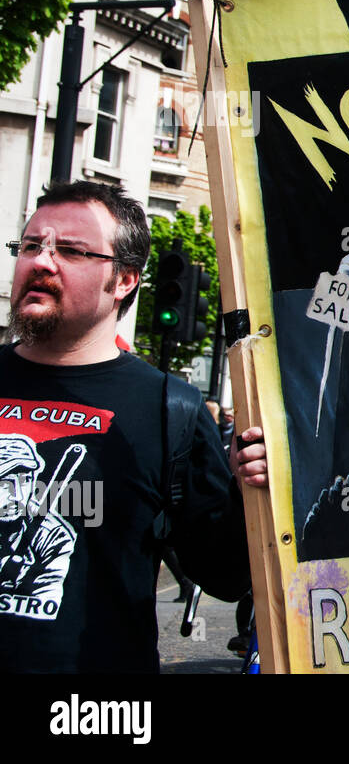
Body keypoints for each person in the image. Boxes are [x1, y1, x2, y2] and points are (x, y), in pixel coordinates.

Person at [0, 181, 267, 673]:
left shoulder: (171, 409)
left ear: (124, 280)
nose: (40, 261)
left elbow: (223, 576)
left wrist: (243, 490)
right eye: (31, 245)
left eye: (72, 251)